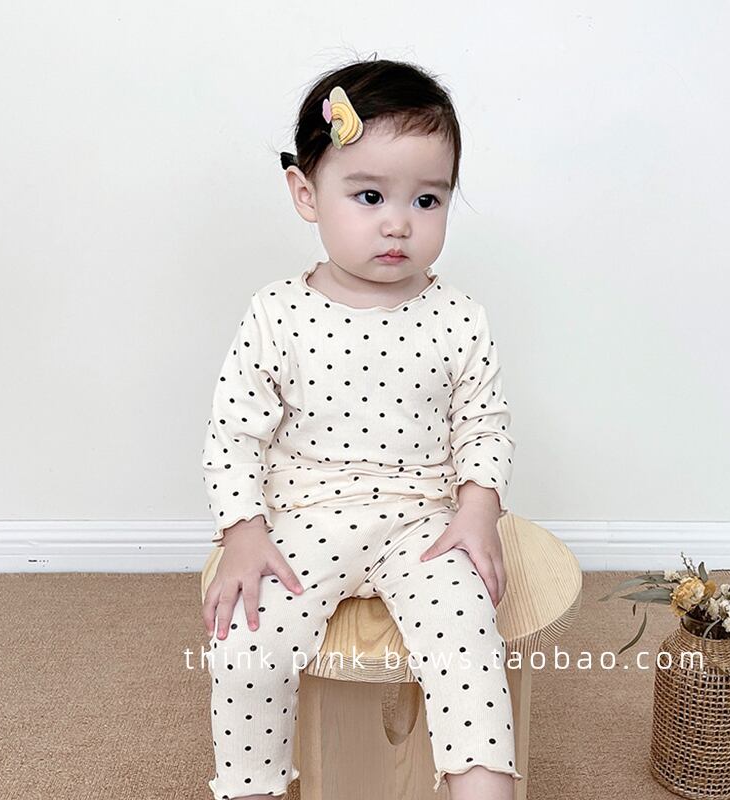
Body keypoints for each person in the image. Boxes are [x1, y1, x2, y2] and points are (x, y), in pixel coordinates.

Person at [200, 57, 520, 800]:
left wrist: (478, 508)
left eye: (427, 199)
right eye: (370, 195)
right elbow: (235, 434)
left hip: (425, 522)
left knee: (470, 639)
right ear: (306, 194)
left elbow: (484, 424)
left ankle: (484, 787)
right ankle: (251, 786)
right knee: (246, 643)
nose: (399, 222)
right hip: (303, 518)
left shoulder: (458, 316)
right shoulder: (277, 313)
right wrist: (243, 530)